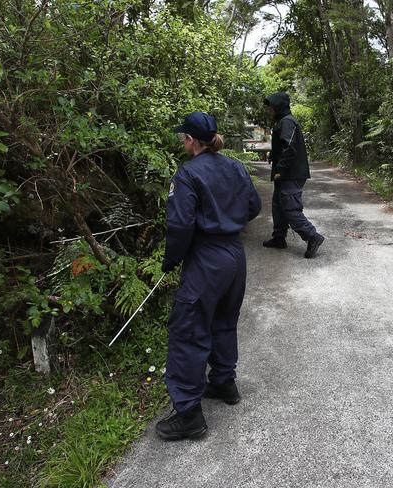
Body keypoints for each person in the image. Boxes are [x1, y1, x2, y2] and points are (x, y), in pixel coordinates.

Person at [156, 112, 261, 440]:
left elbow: (180, 224)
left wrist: (171, 260)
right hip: (234, 257)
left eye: (182, 137)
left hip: (206, 260)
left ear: (190, 140)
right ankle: (223, 383)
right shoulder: (234, 167)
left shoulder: (187, 174)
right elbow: (254, 206)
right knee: (224, 321)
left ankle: (188, 414)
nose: (181, 142)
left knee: (188, 329)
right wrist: (229, 221)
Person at [262, 92, 324, 258]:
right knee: (278, 205)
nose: (269, 110)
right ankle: (279, 238)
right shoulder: (283, 121)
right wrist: (273, 156)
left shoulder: (287, 121)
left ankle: (313, 237)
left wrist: (280, 169)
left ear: (279, 106)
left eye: (271, 107)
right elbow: (283, 146)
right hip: (286, 173)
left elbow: (289, 147)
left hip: (290, 173)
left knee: (290, 208)